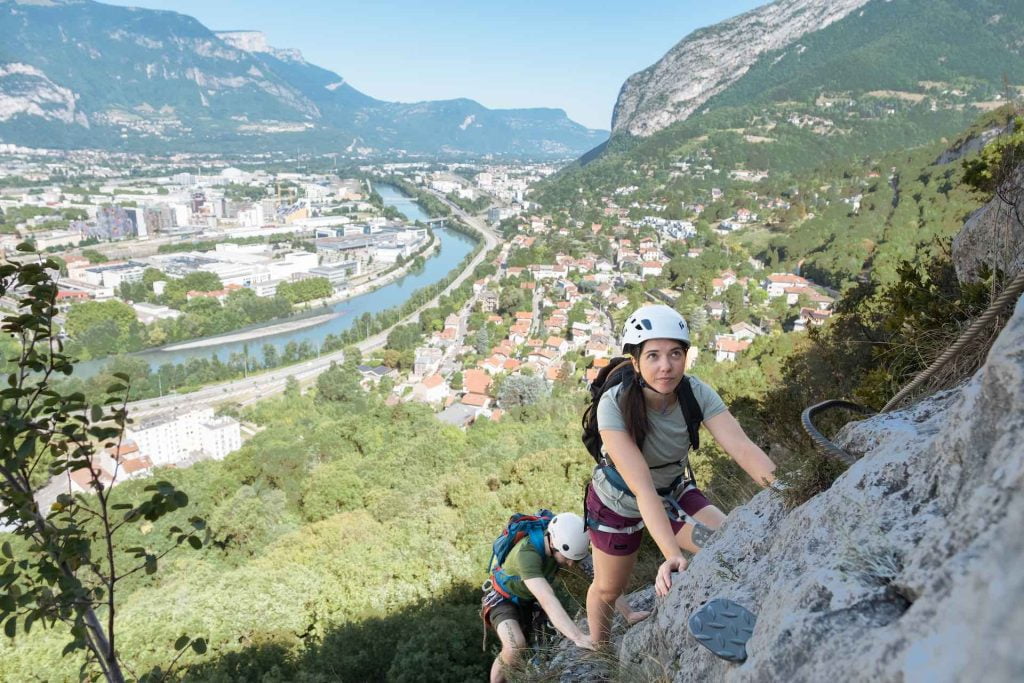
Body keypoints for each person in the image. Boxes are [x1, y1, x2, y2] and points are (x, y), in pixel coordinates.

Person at [584, 304, 776, 646]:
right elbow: (642, 490)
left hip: (673, 489)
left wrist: (786, 488)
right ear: (635, 361)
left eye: (675, 353)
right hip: (619, 501)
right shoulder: (613, 405)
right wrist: (672, 554)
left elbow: (743, 448)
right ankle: (599, 651)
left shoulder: (695, 393)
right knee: (609, 588)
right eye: (654, 355)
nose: (666, 366)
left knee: (727, 538)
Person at [482, 512, 594, 683]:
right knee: (515, 645)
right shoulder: (527, 554)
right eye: (568, 559)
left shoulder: (567, 543)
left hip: (528, 600)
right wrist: (578, 637)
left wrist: (629, 613)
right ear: (554, 544)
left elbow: (601, 580)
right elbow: (547, 599)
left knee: (540, 649)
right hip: (503, 599)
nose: (571, 564)